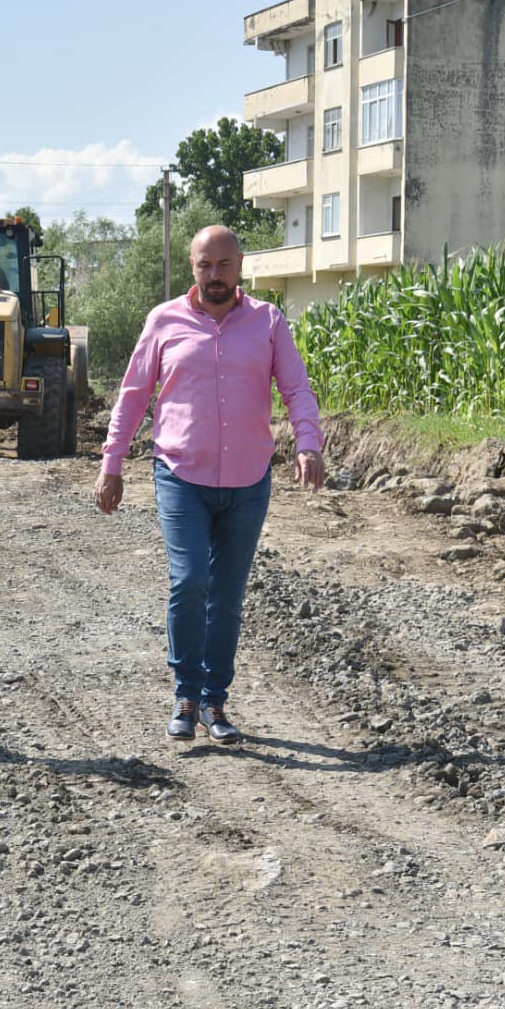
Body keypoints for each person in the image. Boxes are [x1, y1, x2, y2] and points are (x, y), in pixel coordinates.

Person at [94, 225, 325, 745]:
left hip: (248, 480)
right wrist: (112, 462)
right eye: (204, 266)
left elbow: (297, 387)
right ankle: (185, 695)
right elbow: (133, 395)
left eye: (223, 265)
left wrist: (308, 444)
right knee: (190, 581)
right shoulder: (164, 321)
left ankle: (216, 703)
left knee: (226, 595)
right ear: (193, 266)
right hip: (181, 474)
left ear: (239, 264)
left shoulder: (268, 322)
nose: (214, 276)